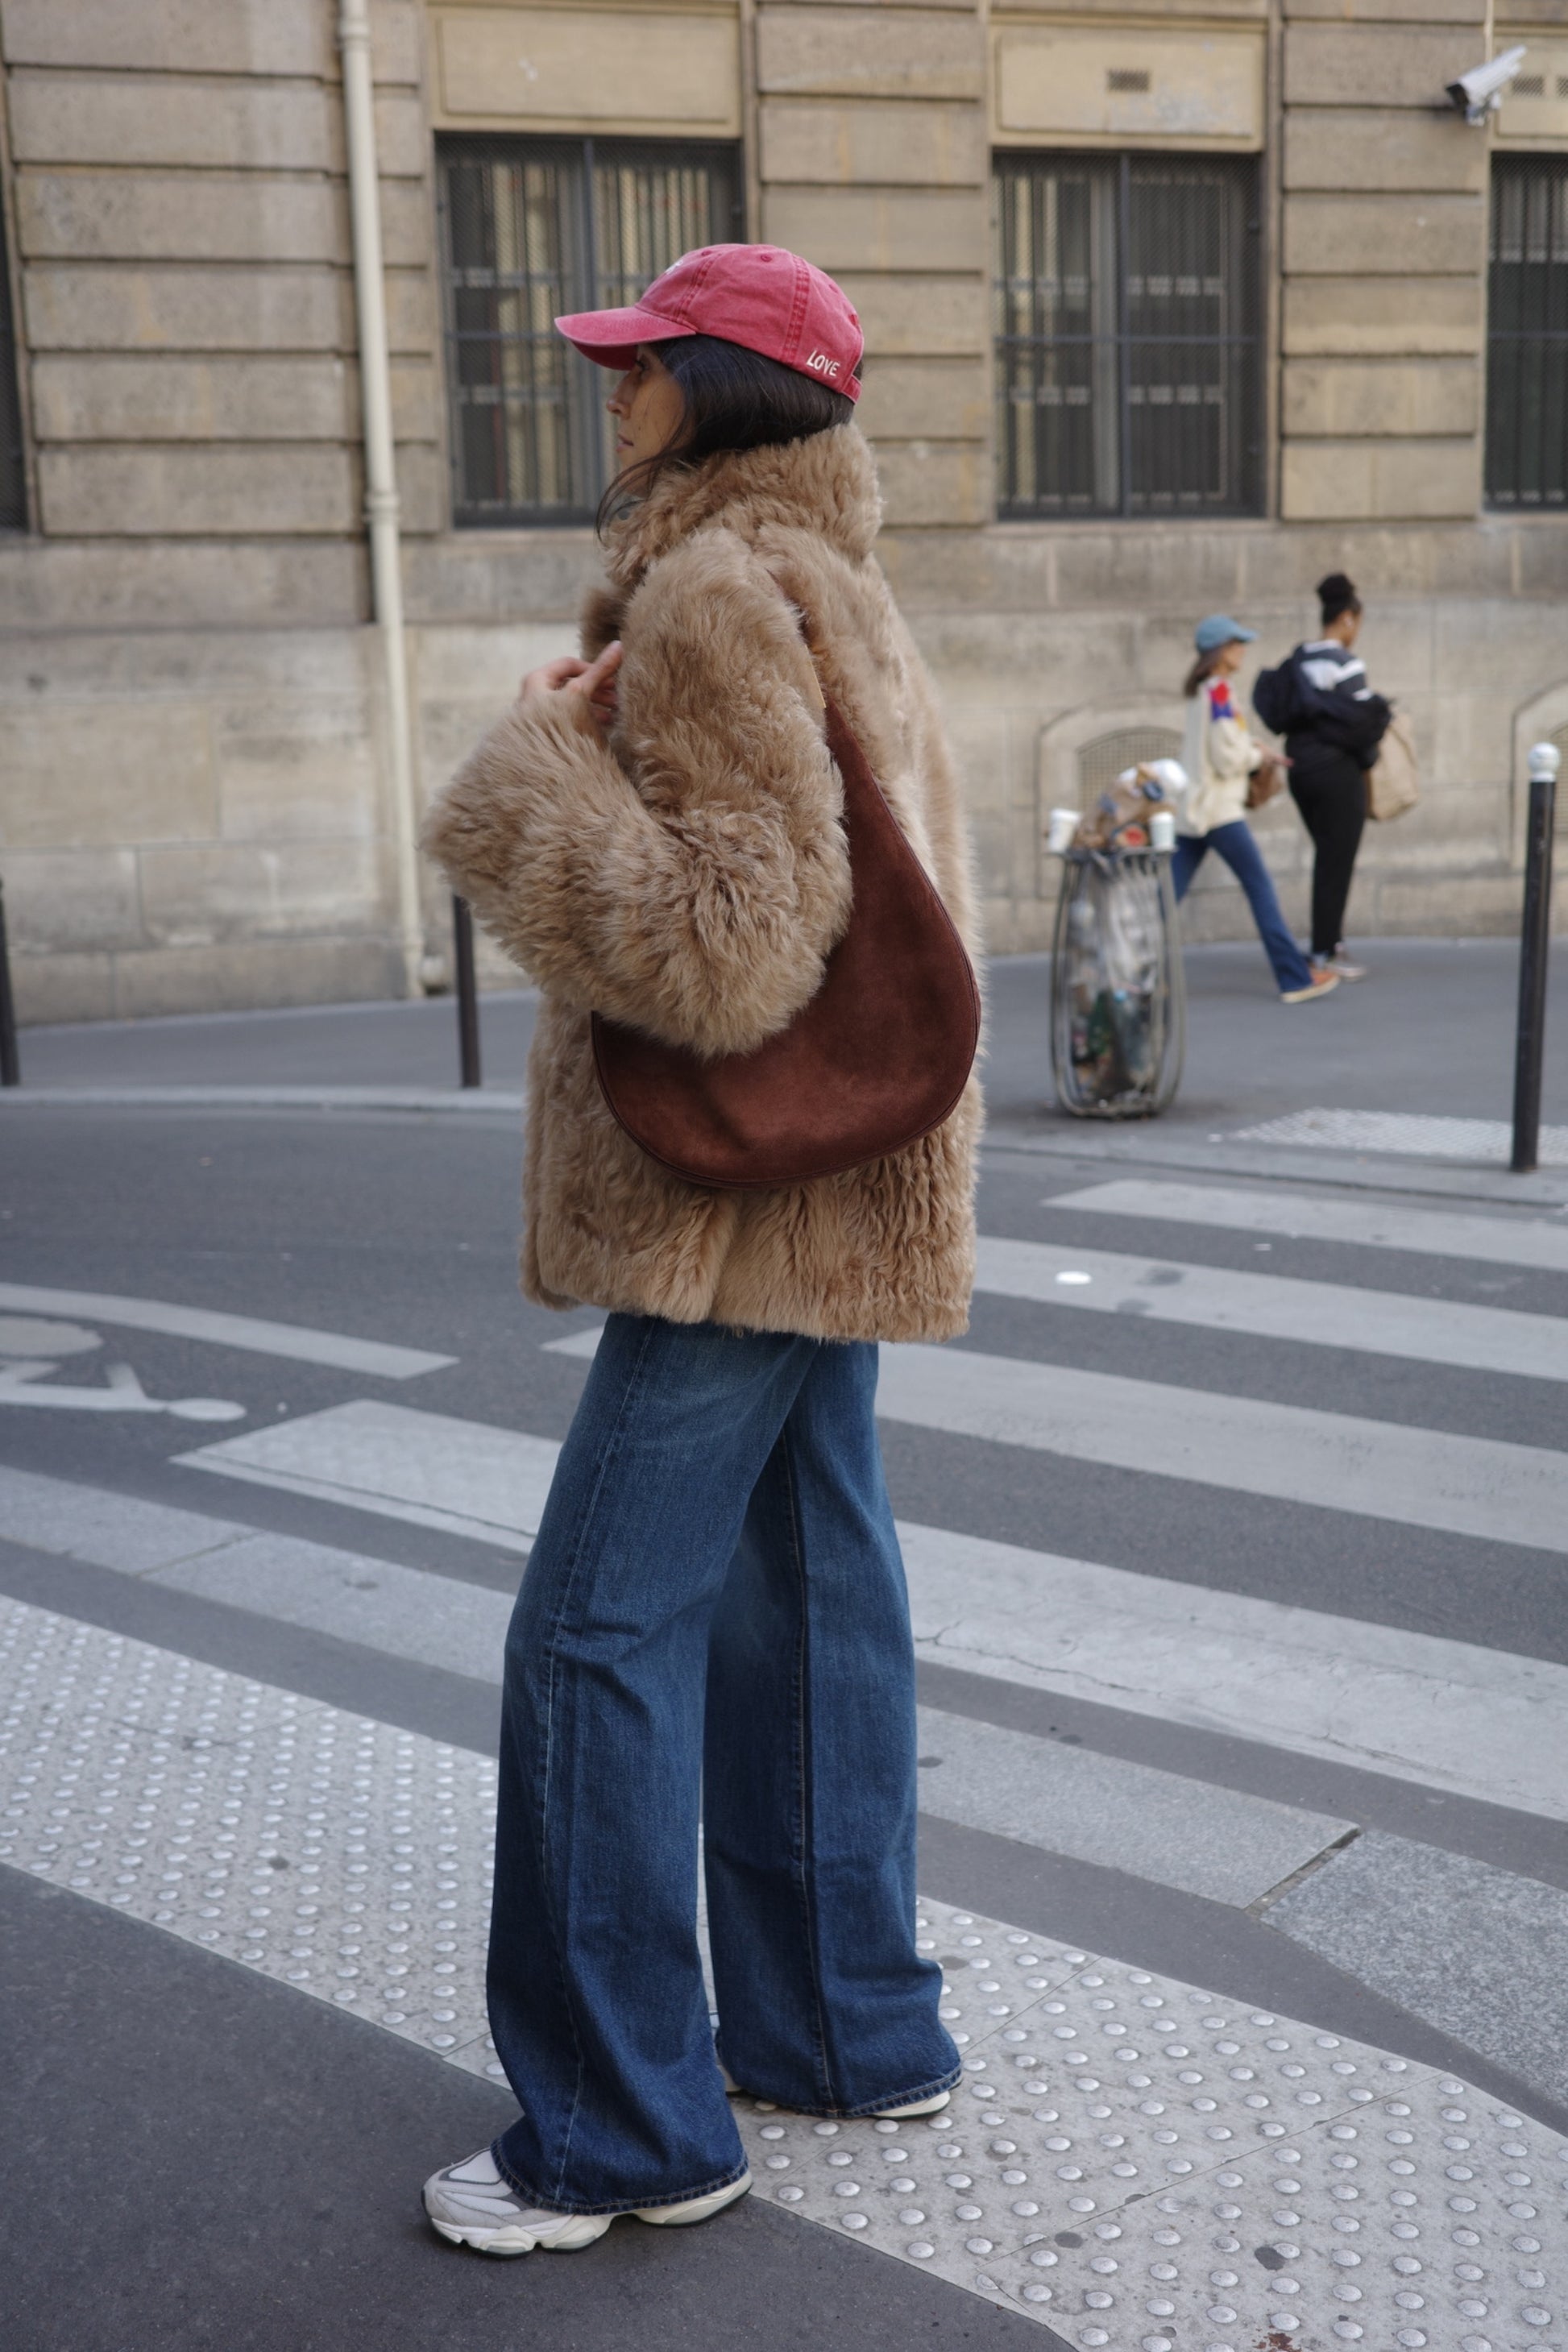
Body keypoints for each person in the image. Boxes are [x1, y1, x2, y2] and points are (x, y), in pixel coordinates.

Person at [417, 245, 981, 2257]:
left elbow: (727, 947)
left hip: (733, 1205)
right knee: (817, 1592)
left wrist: (533, 780)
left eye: (648, 364)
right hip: (838, 1183)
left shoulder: (716, 594)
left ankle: (620, 2132)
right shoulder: (840, 582)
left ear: (728, 393)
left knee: (591, 1633)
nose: (615, 390)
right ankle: (843, 2025)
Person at [1173, 615, 1338, 1005]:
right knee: (1261, 889)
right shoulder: (1218, 692)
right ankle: (1294, 979)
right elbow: (1227, 756)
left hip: (1197, 812)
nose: (1243, 651)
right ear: (1220, 651)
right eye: (1237, 644)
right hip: (1219, 811)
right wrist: (1257, 754)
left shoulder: (1207, 691)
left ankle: (1127, 975)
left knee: (1166, 900)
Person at [1253, 572, 1391, 983]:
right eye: (1358, 623)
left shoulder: (1299, 660)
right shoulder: (1346, 664)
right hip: (1337, 774)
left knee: (1327, 856)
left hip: (1301, 772)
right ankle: (1325, 951)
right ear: (1347, 619)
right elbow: (1363, 724)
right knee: (1337, 858)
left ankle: (1328, 944)